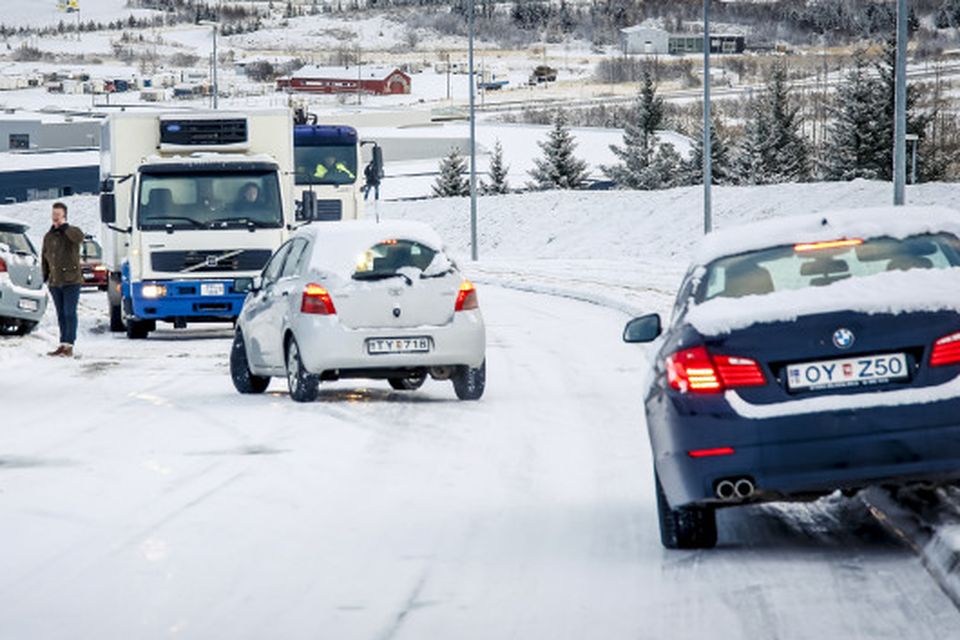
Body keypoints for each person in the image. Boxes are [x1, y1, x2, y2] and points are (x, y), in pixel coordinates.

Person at [42, 201, 84, 358]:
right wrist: (45, 275)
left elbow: (79, 238)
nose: (55, 218)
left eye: (58, 215)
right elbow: (44, 256)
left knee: (69, 312)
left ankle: (69, 345)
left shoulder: (72, 232)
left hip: (71, 280)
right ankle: (62, 343)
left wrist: (65, 227)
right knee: (60, 314)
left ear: (64, 215)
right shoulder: (49, 236)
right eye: (53, 214)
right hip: (55, 281)